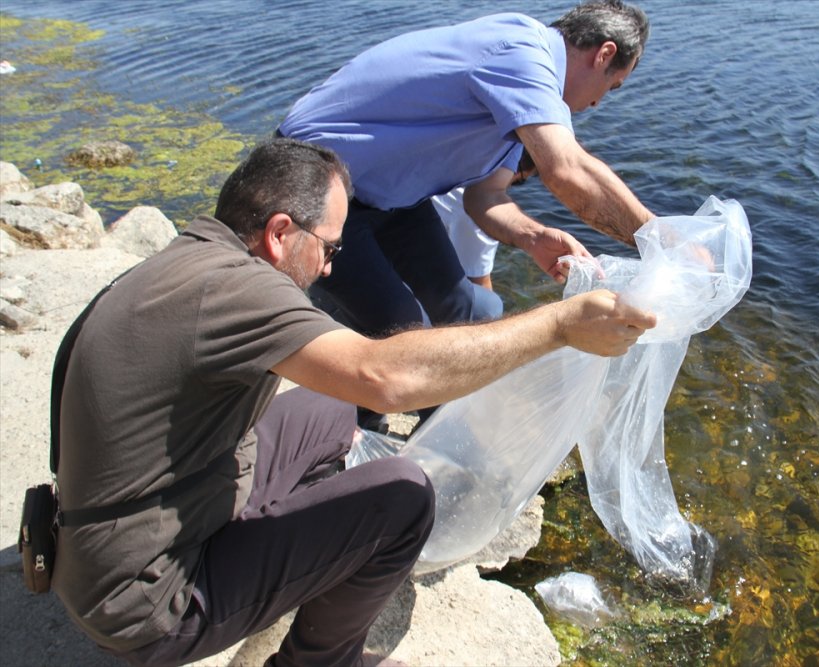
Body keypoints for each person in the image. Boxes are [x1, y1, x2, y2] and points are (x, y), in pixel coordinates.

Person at [51, 138, 656, 667]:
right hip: (151, 603)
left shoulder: (191, 258)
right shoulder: (242, 290)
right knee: (403, 496)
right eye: (331, 247)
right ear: (280, 232)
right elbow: (384, 378)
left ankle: (302, 555)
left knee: (331, 410)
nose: (330, 264)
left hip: (118, 539)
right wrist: (560, 326)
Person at [278, 0, 656, 340]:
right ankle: (365, 413)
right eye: (613, 87)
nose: (595, 104)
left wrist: (533, 237)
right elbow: (568, 169)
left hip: (392, 198)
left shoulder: (529, 98)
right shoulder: (522, 52)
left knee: (465, 310)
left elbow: (485, 196)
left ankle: (437, 413)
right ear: (604, 55)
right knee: (407, 331)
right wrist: (658, 240)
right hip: (312, 181)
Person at [433, 151, 538, 293]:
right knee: (489, 307)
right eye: (520, 180)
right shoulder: (483, 216)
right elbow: (480, 284)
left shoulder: (441, 160)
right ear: (513, 167)